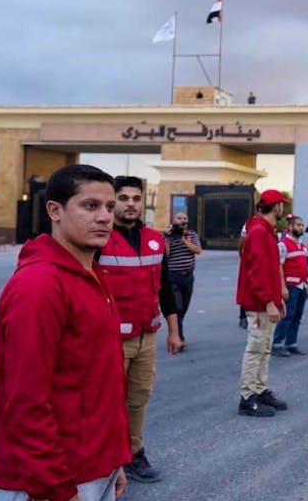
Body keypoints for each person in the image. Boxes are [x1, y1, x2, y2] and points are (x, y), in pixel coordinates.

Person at [0, 164, 130, 501]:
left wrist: (115, 461)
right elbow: (26, 402)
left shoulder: (93, 276)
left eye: (109, 207)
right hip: (55, 481)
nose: (104, 217)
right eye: (90, 206)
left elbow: (96, 379)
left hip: (96, 466)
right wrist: (56, 489)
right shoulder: (39, 286)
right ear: (54, 210)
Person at [100, 176, 181, 484]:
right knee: (107, 400)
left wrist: (174, 331)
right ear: (113, 201)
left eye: (136, 198)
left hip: (147, 337)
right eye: (124, 198)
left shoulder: (154, 239)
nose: (131, 204)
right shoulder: (100, 238)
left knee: (138, 398)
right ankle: (106, 458)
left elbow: (166, 290)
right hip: (110, 340)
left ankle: (134, 453)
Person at [236, 189, 291, 416]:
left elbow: (270, 269)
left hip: (266, 302)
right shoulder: (259, 231)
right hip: (259, 303)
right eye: (281, 205)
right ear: (276, 206)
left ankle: (260, 389)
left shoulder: (265, 231)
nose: (283, 208)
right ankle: (247, 397)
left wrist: (277, 300)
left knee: (264, 348)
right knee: (256, 348)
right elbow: (257, 271)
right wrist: (269, 301)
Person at [272, 215, 308, 357]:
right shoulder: (283, 245)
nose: (301, 227)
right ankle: (277, 343)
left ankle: (291, 343)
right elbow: (278, 267)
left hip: (301, 285)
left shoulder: (302, 245)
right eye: (298, 225)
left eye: (302, 225)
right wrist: (282, 287)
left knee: (297, 315)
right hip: (291, 285)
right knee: (287, 315)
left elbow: (305, 267)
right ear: (290, 227)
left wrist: (307, 285)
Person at [164, 211, 202, 349]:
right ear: (174, 220)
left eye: (184, 218)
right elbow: (165, 255)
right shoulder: (168, 234)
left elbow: (198, 250)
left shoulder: (191, 235)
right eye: (179, 218)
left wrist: (183, 239)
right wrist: (168, 238)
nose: (182, 220)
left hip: (188, 277)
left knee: (184, 308)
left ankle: (175, 329)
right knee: (178, 307)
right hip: (173, 277)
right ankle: (179, 337)